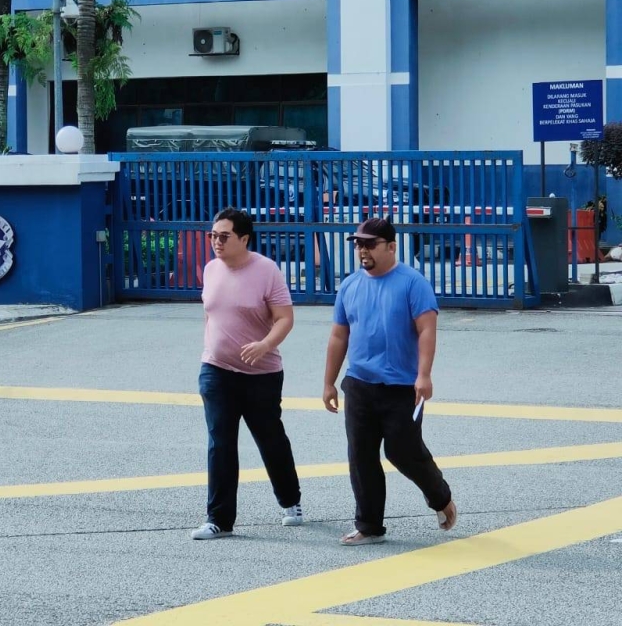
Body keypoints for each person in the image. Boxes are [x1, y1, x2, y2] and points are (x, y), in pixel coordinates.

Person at [323, 217, 457, 546]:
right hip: (359, 384)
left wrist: (424, 375)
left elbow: (427, 329)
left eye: (369, 244)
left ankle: (439, 497)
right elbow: (339, 335)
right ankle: (369, 526)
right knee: (361, 455)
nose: (362, 250)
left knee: (402, 450)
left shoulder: (413, 283)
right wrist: (329, 382)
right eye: (358, 244)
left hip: (403, 387)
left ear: (391, 247)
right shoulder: (350, 285)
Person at [191, 207, 302, 540]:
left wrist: (265, 345)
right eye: (213, 236)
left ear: (244, 238)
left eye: (224, 236)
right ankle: (219, 519)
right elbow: (210, 314)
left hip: (261, 374)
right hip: (216, 370)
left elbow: (285, 318)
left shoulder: (266, 271)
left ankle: (290, 500)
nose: (216, 242)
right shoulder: (211, 270)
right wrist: (209, 350)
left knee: (270, 439)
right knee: (220, 443)